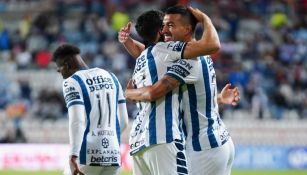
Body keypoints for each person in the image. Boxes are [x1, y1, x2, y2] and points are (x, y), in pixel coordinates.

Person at [119, 6, 238, 175]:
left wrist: (128, 93)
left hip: (203, 147)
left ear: (187, 28)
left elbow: (154, 89)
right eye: (164, 26)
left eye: (171, 26)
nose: (166, 30)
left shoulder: (189, 59)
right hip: (218, 141)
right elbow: (153, 53)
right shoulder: (191, 54)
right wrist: (217, 99)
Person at [53, 44, 128, 175]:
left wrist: (73, 154)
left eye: (59, 68)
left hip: (86, 155)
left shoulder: (71, 82)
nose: (60, 73)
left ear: (67, 64)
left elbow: (77, 120)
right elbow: (124, 122)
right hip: (114, 155)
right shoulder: (112, 77)